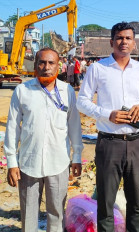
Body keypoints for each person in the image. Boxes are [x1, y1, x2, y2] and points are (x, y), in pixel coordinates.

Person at [76, 22, 139, 231]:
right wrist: (107, 114)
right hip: (109, 142)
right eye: (120, 38)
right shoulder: (98, 68)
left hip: (137, 142)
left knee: (136, 201)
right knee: (105, 202)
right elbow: (82, 101)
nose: (124, 42)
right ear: (112, 42)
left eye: (128, 38)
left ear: (134, 43)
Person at [4, 47, 83, 232]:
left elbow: (74, 126)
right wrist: (11, 162)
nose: (46, 67)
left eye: (51, 63)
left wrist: (77, 156)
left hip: (59, 162)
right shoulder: (22, 90)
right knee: (29, 215)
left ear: (58, 66)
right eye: (42, 62)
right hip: (29, 164)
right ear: (35, 65)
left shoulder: (67, 91)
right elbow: (12, 127)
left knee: (56, 213)